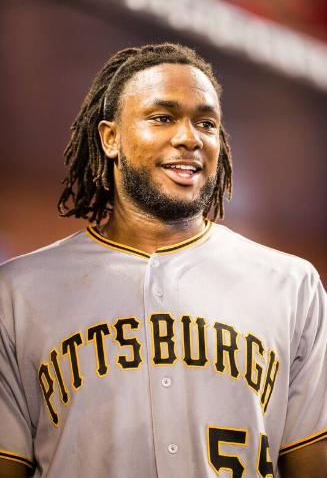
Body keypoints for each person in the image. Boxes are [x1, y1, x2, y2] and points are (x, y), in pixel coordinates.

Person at [0, 43, 326, 478]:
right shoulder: (18, 292)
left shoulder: (291, 283)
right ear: (110, 137)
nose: (190, 137)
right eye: (163, 117)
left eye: (206, 122)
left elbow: (313, 461)